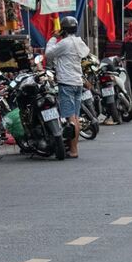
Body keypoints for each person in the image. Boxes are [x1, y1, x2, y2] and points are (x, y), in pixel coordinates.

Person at [42, 17, 90, 158]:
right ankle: (73, 148)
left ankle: (73, 150)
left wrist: (52, 39)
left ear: (63, 29)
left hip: (67, 82)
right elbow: (85, 52)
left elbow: (49, 54)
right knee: (75, 116)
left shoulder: (65, 43)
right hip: (77, 82)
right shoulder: (79, 42)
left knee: (70, 118)